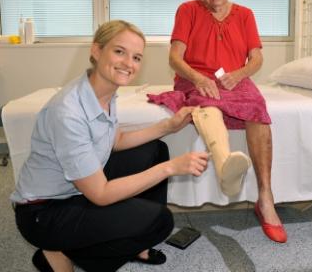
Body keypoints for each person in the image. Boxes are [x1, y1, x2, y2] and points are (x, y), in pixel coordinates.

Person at [11, 19, 209, 272]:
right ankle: (62, 250)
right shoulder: (68, 112)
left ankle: (132, 243)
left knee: (156, 150)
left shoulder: (103, 92)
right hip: (44, 212)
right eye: (119, 51)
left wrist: (168, 126)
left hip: (75, 188)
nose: (129, 63)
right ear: (96, 50)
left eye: (136, 57)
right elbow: (101, 194)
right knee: (160, 222)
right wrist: (170, 168)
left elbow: (116, 141)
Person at [148, 0, 287, 243]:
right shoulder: (187, 10)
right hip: (195, 78)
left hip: (234, 79)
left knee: (257, 109)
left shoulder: (246, 15)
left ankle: (265, 198)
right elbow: (175, 58)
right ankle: (225, 165)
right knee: (206, 104)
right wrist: (198, 78)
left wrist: (240, 74)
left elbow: (257, 58)